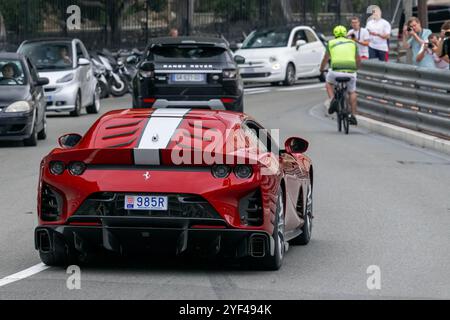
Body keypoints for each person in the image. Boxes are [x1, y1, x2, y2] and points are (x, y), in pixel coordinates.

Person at [320, 25, 361, 126]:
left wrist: (321, 69)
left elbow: (326, 58)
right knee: (352, 92)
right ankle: (353, 115)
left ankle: (332, 100)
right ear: (346, 34)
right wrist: (356, 69)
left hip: (336, 71)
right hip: (351, 71)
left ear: (334, 35)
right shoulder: (353, 43)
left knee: (329, 83)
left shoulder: (331, 43)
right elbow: (358, 59)